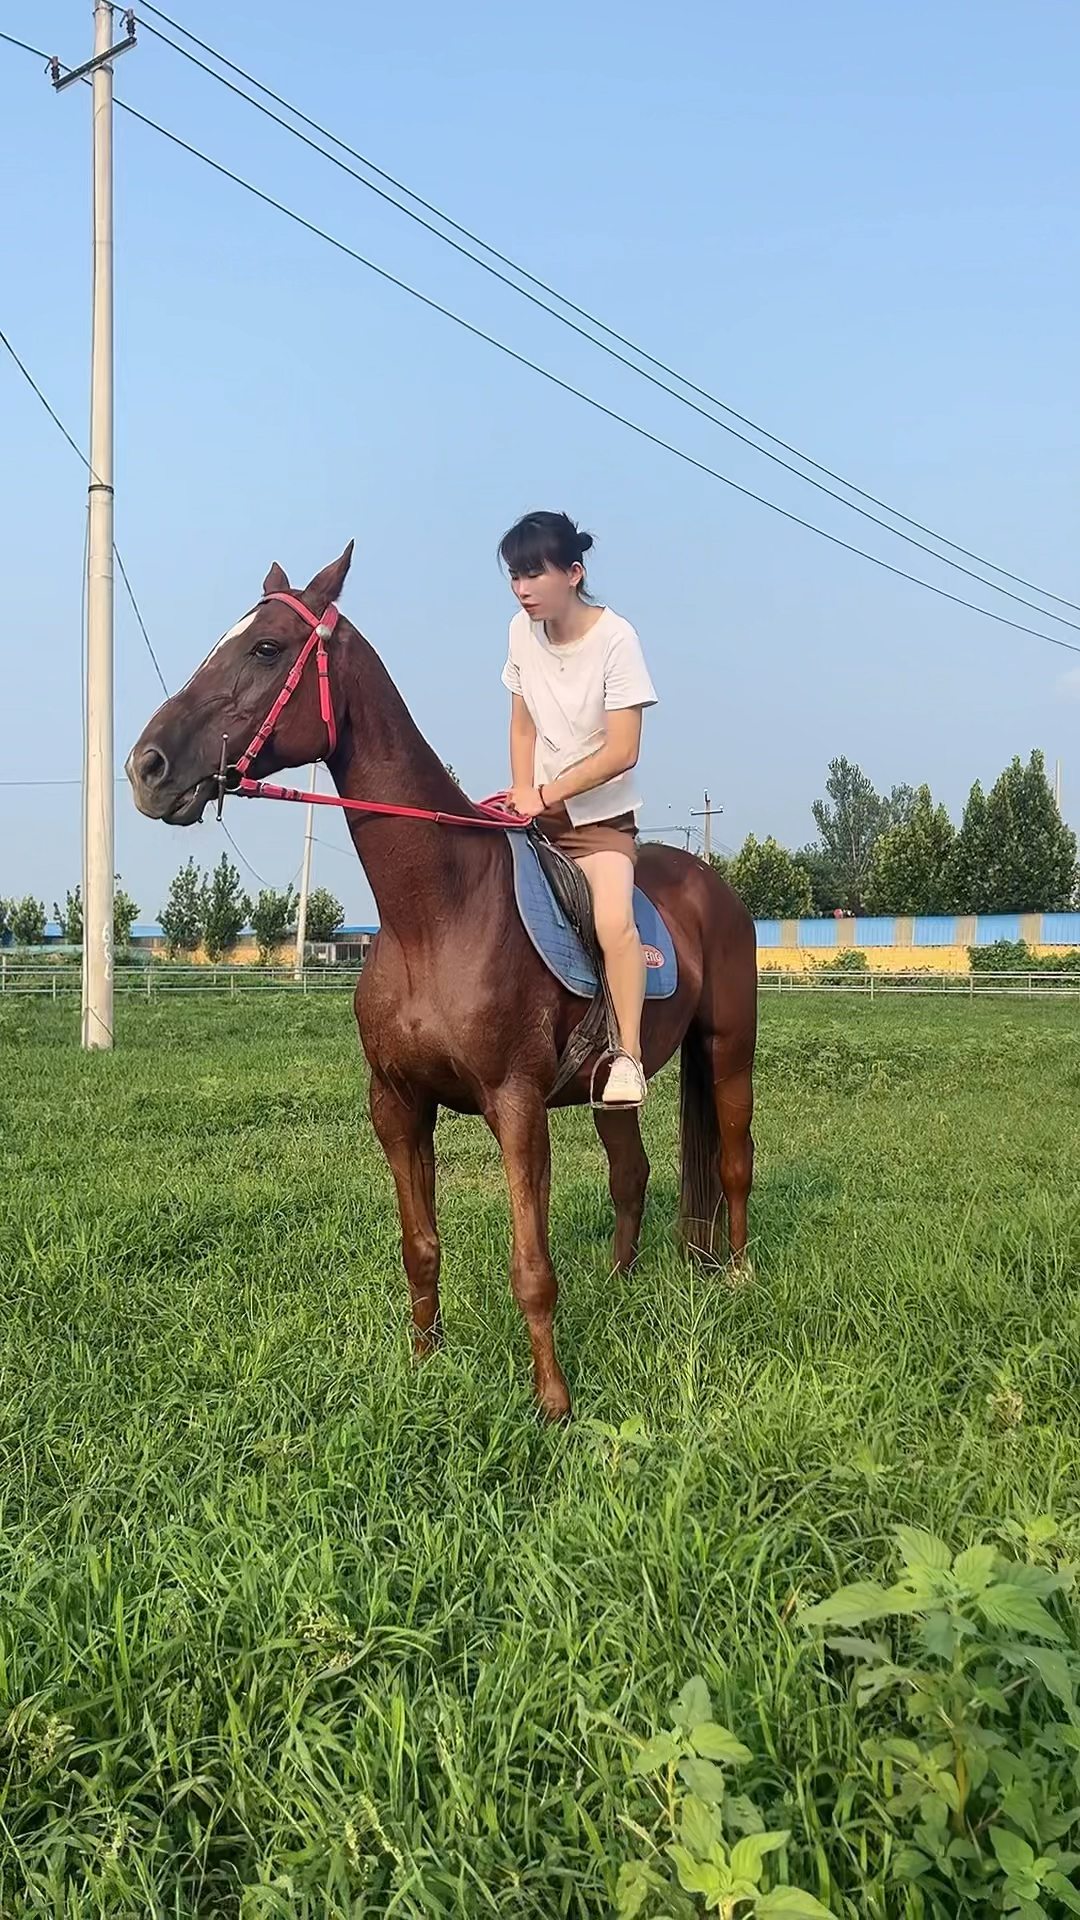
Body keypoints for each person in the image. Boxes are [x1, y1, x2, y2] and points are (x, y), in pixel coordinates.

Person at [500, 510, 657, 1106]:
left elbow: (624, 749)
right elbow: (521, 726)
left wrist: (548, 793)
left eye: (533, 574)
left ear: (573, 572)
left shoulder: (617, 639)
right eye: (515, 575)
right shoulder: (520, 632)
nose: (522, 588)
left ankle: (629, 1058)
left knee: (613, 923)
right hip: (535, 816)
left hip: (599, 825)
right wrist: (522, 796)